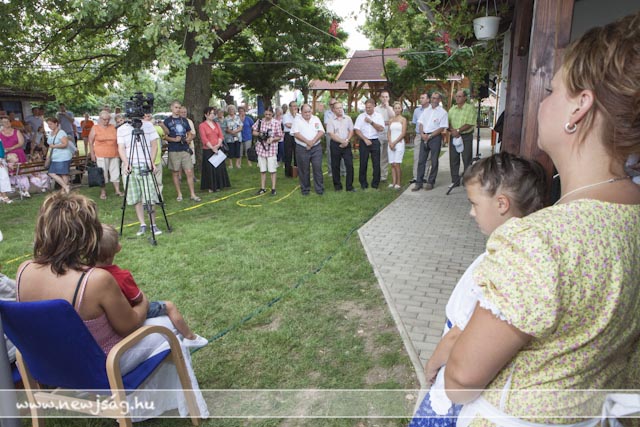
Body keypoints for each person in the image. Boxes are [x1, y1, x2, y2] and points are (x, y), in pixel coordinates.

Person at [445, 12, 640, 425]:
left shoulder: (540, 241)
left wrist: (455, 343)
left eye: (551, 91)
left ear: (579, 107)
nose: (543, 102)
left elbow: (461, 380)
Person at [14, 192, 208, 419]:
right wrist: (143, 301)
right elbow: (129, 326)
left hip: (50, 365)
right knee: (166, 325)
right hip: (100, 367)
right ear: (86, 234)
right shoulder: (95, 280)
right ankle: (156, 407)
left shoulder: (23, 271)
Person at [408, 152, 547, 427]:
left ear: (502, 204)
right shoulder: (522, 255)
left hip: (457, 384)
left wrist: (432, 365)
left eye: (474, 204)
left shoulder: (499, 266)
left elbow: (457, 335)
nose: (471, 212)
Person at [97, 224, 208, 348]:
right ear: (118, 248)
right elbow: (137, 298)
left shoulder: (89, 276)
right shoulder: (122, 276)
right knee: (170, 306)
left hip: (112, 320)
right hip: (132, 313)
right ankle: (190, 337)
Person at [117, 114, 163, 236]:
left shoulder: (148, 126)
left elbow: (154, 145)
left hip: (145, 164)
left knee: (150, 196)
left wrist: (151, 162)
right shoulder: (122, 129)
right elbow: (121, 148)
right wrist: (126, 163)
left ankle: (153, 224)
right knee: (135, 197)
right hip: (130, 166)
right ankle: (142, 224)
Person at [162, 101, 200, 202]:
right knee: (175, 172)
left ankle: (192, 194)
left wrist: (189, 138)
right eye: (176, 107)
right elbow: (164, 136)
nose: (178, 110)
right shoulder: (167, 121)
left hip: (184, 148)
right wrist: (173, 139)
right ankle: (179, 194)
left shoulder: (184, 120)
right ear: (171, 108)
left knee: (189, 171)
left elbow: (189, 132)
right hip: (173, 149)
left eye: (179, 108)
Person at [412, 92, 448, 191]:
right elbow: (420, 123)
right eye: (432, 98)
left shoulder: (443, 112)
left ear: (439, 100)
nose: (433, 100)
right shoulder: (426, 110)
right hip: (424, 136)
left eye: (436, 98)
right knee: (421, 160)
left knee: (434, 160)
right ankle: (419, 182)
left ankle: (431, 182)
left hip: (435, 137)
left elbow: (442, 127)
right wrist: (422, 134)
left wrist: (430, 136)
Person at [292, 104, 325, 196]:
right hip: (302, 148)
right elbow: (296, 134)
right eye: (305, 112)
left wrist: (312, 142)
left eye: (309, 111)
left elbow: (321, 131)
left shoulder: (316, 119)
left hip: (316, 147)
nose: (307, 114)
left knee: (317, 168)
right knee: (303, 169)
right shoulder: (297, 120)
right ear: (301, 112)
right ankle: (305, 189)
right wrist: (307, 142)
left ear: (312, 111)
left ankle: (319, 189)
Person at [88, 111, 122, 199]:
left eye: (108, 119)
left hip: (114, 153)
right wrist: (92, 154)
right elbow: (90, 142)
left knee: (115, 172)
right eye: (104, 119)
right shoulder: (95, 128)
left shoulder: (113, 127)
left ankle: (117, 190)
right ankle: (103, 192)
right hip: (101, 154)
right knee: (102, 173)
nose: (106, 121)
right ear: (100, 118)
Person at [448, 90, 477, 189]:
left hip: (466, 136)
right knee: (453, 159)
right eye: (456, 96)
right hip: (454, 136)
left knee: (466, 159)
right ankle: (455, 181)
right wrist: (453, 131)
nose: (457, 98)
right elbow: (448, 122)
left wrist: (458, 130)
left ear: (465, 98)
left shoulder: (470, 108)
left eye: (460, 96)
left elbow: (470, 123)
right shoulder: (452, 109)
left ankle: (466, 181)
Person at [354, 98, 385, 190]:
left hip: (375, 141)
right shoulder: (361, 116)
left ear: (374, 106)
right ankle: (363, 184)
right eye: (366, 107)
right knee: (363, 163)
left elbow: (381, 128)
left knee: (376, 163)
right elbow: (357, 129)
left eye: (369, 107)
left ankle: (375, 184)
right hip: (364, 141)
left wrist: (371, 122)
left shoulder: (378, 116)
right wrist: (365, 139)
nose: (367, 109)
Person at [252, 107, 283, 196]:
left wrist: (272, 139)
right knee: (262, 170)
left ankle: (273, 189)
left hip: (272, 149)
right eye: (266, 114)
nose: (267, 116)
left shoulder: (276, 123)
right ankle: (263, 188)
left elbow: (280, 136)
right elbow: (253, 131)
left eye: (269, 114)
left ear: (272, 114)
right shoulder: (260, 122)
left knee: (272, 170)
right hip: (261, 149)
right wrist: (260, 134)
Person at [199, 106, 231, 193]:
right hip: (208, 149)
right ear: (206, 115)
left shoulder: (216, 124)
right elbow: (204, 138)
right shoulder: (202, 125)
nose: (212, 115)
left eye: (213, 113)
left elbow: (221, 135)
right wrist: (212, 147)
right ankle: (210, 186)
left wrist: (218, 145)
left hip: (218, 148)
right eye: (210, 113)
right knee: (210, 169)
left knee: (219, 168)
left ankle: (220, 185)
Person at [326, 101, 355, 192]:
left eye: (341, 107)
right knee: (335, 166)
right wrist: (342, 141)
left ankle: (349, 187)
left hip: (346, 143)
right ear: (333, 110)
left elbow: (351, 130)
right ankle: (338, 187)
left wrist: (346, 140)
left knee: (349, 165)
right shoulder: (330, 120)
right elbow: (331, 134)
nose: (340, 110)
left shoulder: (348, 118)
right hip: (335, 145)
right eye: (337, 108)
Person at [45, 117, 73, 193]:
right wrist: (48, 155)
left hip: (63, 156)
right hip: (55, 157)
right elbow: (50, 146)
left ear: (56, 123)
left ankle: (64, 190)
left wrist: (54, 146)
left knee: (63, 174)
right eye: (48, 124)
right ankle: (66, 187)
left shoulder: (61, 133)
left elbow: (65, 144)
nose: (49, 126)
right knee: (51, 173)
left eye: (51, 124)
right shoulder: (50, 133)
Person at [375, 90, 395, 182]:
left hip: (388, 134)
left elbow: (393, 118)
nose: (384, 98)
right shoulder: (376, 109)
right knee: (378, 155)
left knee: (385, 156)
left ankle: (384, 176)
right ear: (380, 98)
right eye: (383, 97)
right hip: (379, 134)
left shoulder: (391, 108)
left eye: (386, 97)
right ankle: (377, 174)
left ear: (389, 98)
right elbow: (376, 122)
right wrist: (386, 122)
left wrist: (387, 107)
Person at [410, 94, 430, 185]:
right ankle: (416, 177)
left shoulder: (432, 110)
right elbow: (415, 123)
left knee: (427, 157)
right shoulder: (417, 111)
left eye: (423, 98)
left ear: (428, 100)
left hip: (428, 135)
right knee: (417, 156)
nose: (420, 99)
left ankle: (424, 176)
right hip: (418, 135)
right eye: (420, 97)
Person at [387, 102, 407, 189]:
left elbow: (403, 133)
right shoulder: (391, 120)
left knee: (396, 163)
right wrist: (390, 142)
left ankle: (398, 183)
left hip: (399, 143)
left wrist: (394, 142)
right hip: (391, 144)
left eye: (399, 108)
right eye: (396, 108)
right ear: (393, 109)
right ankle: (393, 182)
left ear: (401, 109)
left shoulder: (403, 120)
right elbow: (389, 132)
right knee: (392, 164)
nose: (397, 110)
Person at [282, 101, 299, 177]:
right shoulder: (286, 116)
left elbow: (301, 125)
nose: (295, 108)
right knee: (288, 154)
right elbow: (287, 125)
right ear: (290, 107)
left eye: (296, 106)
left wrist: (295, 121)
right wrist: (296, 125)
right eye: (293, 106)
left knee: (297, 154)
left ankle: (296, 172)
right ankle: (288, 173)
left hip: (296, 135)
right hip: (288, 135)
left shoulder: (299, 116)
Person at [223, 105, 243, 169]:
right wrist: (231, 132)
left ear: (234, 110)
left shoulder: (238, 118)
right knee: (230, 151)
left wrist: (235, 131)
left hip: (237, 137)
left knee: (238, 150)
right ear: (228, 111)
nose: (231, 110)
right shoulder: (226, 118)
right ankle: (230, 164)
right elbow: (225, 128)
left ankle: (237, 164)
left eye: (232, 109)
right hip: (229, 137)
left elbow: (241, 127)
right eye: (230, 109)